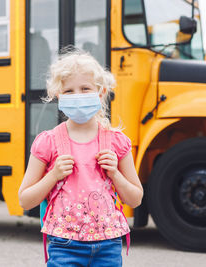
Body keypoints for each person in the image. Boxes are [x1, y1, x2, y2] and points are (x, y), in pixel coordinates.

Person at [18, 49, 143, 267]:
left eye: (85, 89)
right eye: (69, 91)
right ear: (58, 96)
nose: (78, 96)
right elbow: (25, 199)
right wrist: (53, 175)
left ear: (101, 92)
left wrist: (114, 173)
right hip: (64, 246)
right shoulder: (47, 142)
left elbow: (135, 199)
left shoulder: (117, 142)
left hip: (108, 246)